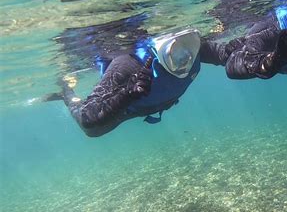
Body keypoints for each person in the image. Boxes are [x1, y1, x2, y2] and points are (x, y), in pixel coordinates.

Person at [49, 27, 227, 137]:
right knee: (95, 130)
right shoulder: (128, 66)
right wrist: (126, 94)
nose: (186, 56)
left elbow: (223, 54)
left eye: (189, 48)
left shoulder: (192, 47)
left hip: (158, 103)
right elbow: (88, 120)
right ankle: (66, 91)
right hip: (129, 108)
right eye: (177, 52)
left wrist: (246, 56)